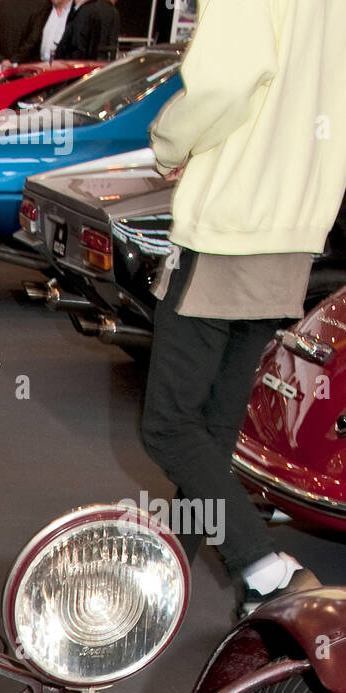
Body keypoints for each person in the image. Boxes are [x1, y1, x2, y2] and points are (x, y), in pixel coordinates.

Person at [139, 0, 346, 613]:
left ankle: (266, 569)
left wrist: (168, 140)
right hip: (291, 225)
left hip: (231, 221)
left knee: (169, 424)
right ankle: (164, 581)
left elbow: (227, 80)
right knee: (212, 424)